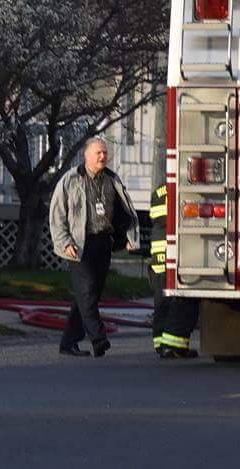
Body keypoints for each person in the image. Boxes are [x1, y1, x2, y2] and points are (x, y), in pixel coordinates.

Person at [48, 137, 139, 358]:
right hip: (79, 244)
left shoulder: (111, 180)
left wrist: (128, 238)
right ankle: (99, 338)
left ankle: (68, 342)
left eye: (105, 153)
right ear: (86, 156)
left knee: (90, 295)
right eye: (98, 153)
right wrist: (64, 241)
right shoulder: (70, 180)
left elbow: (123, 211)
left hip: (103, 242)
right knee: (86, 291)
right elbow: (57, 214)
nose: (102, 156)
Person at [147, 183, 200, 359]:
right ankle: (173, 345)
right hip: (176, 250)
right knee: (184, 296)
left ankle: (160, 342)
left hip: (159, 253)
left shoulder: (158, 192)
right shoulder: (185, 188)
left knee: (161, 298)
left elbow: (158, 219)